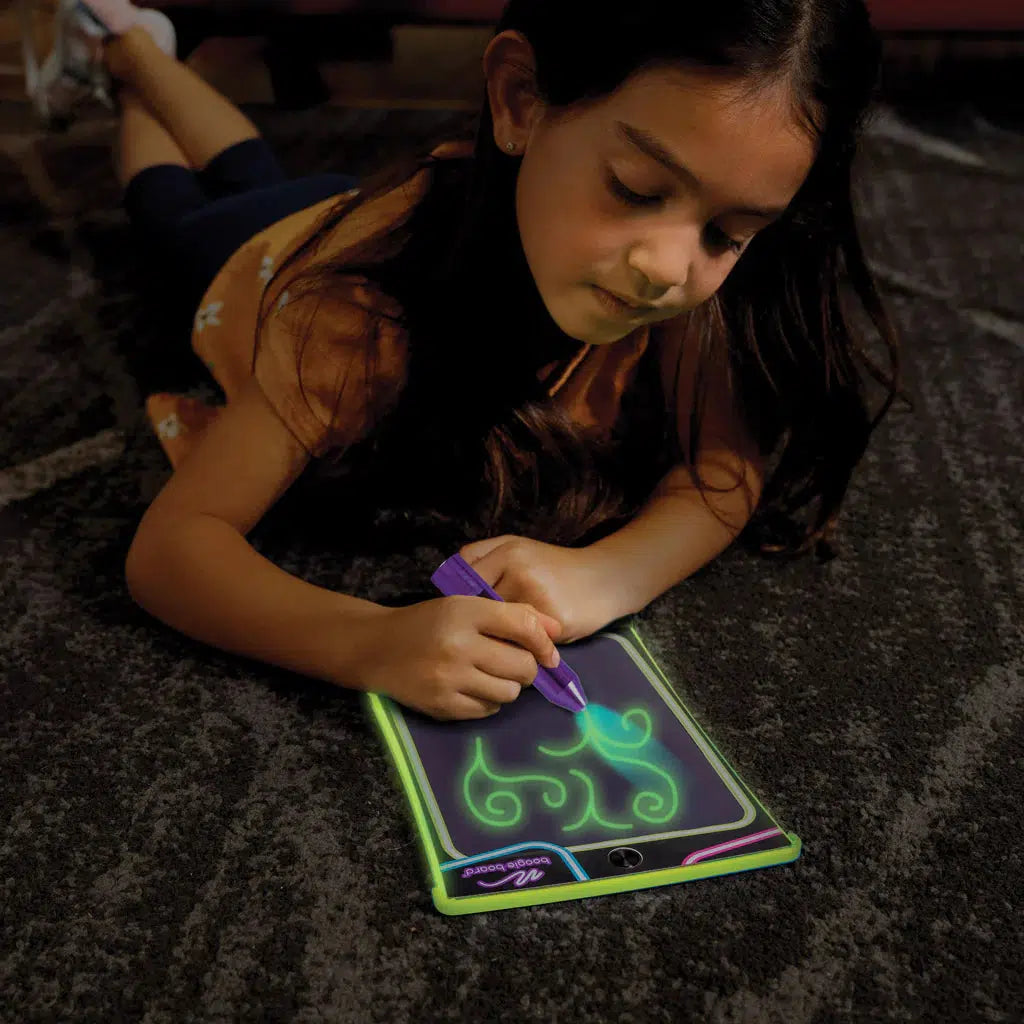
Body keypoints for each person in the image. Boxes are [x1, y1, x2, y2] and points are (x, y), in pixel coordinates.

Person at [30, 0, 900, 721]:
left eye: (730, 234)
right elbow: (172, 548)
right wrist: (369, 640)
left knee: (254, 164)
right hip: (263, 259)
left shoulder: (689, 281)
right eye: (637, 191)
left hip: (373, 206)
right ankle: (128, 60)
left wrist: (606, 574)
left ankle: (137, 45)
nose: (670, 269)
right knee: (172, 208)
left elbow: (722, 469)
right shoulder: (355, 317)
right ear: (520, 99)